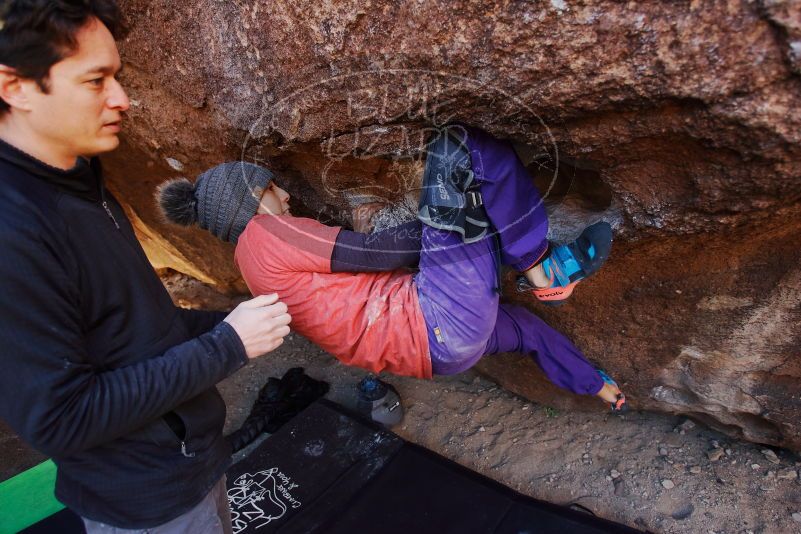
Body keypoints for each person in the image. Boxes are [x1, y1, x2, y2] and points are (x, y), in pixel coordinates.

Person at [0, 1, 291, 532]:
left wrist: (235, 321)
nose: (122, 99)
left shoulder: (78, 177)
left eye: (118, 76)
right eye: (95, 81)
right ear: (14, 86)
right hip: (147, 497)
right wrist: (227, 345)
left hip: (188, 460)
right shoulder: (14, 233)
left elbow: (130, 326)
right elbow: (62, 418)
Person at [158, 125, 628, 412]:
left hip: (441, 355)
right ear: (250, 200)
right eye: (271, 188)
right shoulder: (264, 233)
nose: (284, 195)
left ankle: (600, 388)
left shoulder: (253, 269)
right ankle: (544, 265)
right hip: (438, 319)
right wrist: (433, 221)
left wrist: (444, 232)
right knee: (459, 151)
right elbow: (377, 255)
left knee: (524, 324)